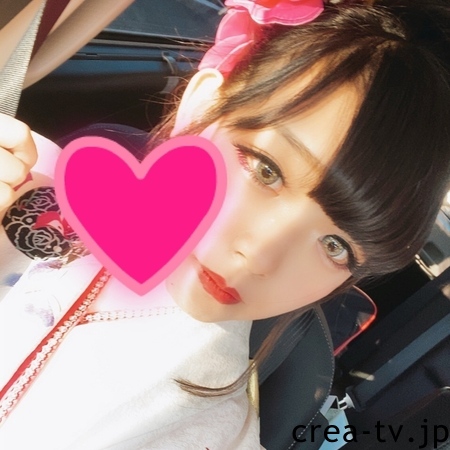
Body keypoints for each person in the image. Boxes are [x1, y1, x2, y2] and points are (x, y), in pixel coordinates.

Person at [0, 0, 449, 448]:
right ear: (203, 106)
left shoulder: (212, 430)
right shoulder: (34, 178)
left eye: (336, 246)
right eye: (265, 170)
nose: (258, 257)